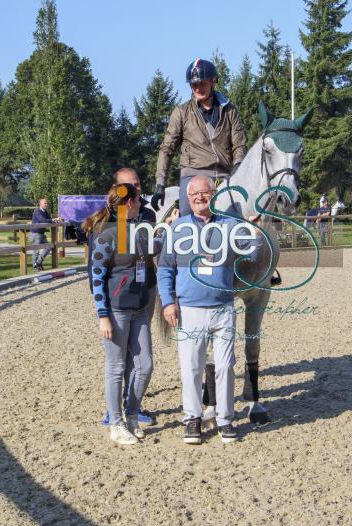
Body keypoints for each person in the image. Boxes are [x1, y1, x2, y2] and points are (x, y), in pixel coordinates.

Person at [157, 175, 265, 445]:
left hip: (223, 307)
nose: (199, 198)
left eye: (204, 193)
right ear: (188, 197)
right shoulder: (178, 227)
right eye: (194, 194)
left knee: (226, 366)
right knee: (191, 366)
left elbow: (250, 254)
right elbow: (165, 268)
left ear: (213, 195)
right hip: (190, 308)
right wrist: (168, 302)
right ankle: (192, 418)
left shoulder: (229, 225)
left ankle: (226, 419)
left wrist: (255, 235)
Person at [84, 183, 155, 445]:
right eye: (137, 202)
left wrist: (175, 226)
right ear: (128, 204)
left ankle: (132, 414)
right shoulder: (106, 235)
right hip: (116, 310)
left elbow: (158, 246)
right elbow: (97, 276)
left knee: (145, 365)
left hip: (139, 308)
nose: (140, 206)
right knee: (116, 368)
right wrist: (103, 315)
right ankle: (116, 423)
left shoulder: (138, 232)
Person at [98, 168, 158, 427]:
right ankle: (115, 415)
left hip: (142, 294)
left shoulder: (147, 216)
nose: (137, 190)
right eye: (130, 187)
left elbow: (152, 250)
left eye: (137, 184)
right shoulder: (107, 226)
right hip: (117, 300)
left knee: (140, 360)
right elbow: (98, 270)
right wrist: (103, 311)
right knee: (116, 362)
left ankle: (131, 409)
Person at [151, 58, 247, 217]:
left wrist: (238, 165)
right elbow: (167, 149)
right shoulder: (181, 112)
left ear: (213, 81)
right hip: (192, 174)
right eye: (194, 84)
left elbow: (239, 144)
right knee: (188, 214)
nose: (197, 88)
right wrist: (160, 184)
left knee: (236, 218)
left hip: (223, 175)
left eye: (202, 83)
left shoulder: (230, 110)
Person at [30, 198, 60, 271]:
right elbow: (42, 220)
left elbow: (49, 219)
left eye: (47, 203)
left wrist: (56, 220)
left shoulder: (45, 211)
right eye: (45, 203)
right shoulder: (37, 211)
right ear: (40, 204)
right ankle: (35, 267)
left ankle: (38, 263)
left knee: (49, 247)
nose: (46, 204)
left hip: (41, 233)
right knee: (36, 250)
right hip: (35, 233)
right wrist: (53, 220)